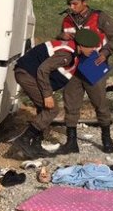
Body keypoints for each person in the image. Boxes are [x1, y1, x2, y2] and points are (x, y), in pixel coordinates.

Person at [12, 29, 100, 159]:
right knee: (52, 109)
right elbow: (43, 69)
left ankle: (36, 144)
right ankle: (24, 140)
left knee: (44, 109)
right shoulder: (67, 55)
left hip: (28, 73)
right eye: (90, 47)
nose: (93, 49)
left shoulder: (72, 50)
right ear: (81, 45)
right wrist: (47, 95)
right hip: (27, 74)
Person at [57, 0, 113, 154]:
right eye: (70, 4)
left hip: (94, 65)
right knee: (71, 103)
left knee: (100, 103)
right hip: (73, 67)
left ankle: (106, 138)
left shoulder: (99, 17)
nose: (71, 7)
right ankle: (72, 142)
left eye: (75, 3)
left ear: (85, 2)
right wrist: (61, 37)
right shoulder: (67, 20)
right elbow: (61, 40)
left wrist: (105, 52)